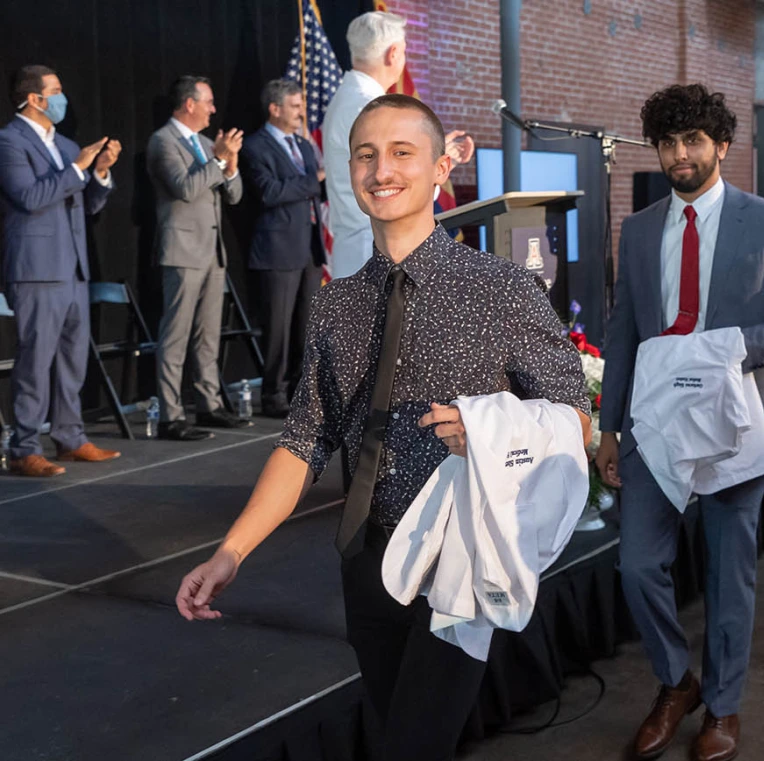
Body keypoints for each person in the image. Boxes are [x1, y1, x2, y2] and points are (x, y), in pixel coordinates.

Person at [174, 94, 590, 760]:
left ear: (438, 169)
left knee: (412, 745)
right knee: (400, 723)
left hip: (460, 559)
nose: (381, 168)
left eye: (402, 152)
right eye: (365, 153)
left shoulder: (502, 287)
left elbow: (576, 416)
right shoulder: (336, 302)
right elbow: (306, 440)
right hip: (366, 561)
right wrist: (231, 552)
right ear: (347, 170)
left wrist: (490, 429)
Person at [596, 84, 764, 761]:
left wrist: (727, 349)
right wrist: (608, 427)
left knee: (731, 573)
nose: (680, 154)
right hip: (653, 423)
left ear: (722, 145)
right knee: (638, 565)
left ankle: (724, 705)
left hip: (737, 419)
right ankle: (677, 681)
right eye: (668, 142)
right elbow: (621, 331)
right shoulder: (637, 229)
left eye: (693, 140)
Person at [0, 64, 122, 476]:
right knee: (36, 359)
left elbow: (86, 204)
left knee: (73, 357)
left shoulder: (67, 145)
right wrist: (77, 170)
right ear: (34, 99)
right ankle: (24, 447)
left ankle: (70, 438)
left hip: (73, 267)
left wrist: (99, 171)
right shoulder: (9, 142)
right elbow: (30, 197)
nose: (61, 98)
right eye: (55, 91)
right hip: (36, 269)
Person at [324, 10, 474, 280]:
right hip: (375, 250)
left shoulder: (349, 98)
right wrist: (434, 168)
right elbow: (392, 180)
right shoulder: (369, 108)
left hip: (363, 246)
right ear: (394, 53)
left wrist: (434, 157)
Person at [147, 76, 247, 441]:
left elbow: (233, 194)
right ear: (189, 104)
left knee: (208, 335)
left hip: (213, 252)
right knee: (176, 334)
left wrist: (230, 164)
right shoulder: (163, 142)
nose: (213, 108)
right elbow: (185, 189)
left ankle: (210, 404)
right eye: (208, 101)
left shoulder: (207, 143)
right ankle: (170, 415)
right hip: (182, 250)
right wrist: (218, 159)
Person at [241, 79, 326, 418]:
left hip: (309, 248)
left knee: (307, 326)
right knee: (277, 327)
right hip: (277, 250)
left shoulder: (304, 146)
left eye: (301, 105)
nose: (300, 111)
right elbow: (269, 193)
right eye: (294, 105)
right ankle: (273, 395)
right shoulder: (255, 147)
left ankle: (300, 392)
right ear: (274, 109)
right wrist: (315, 179)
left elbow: (317, 192)